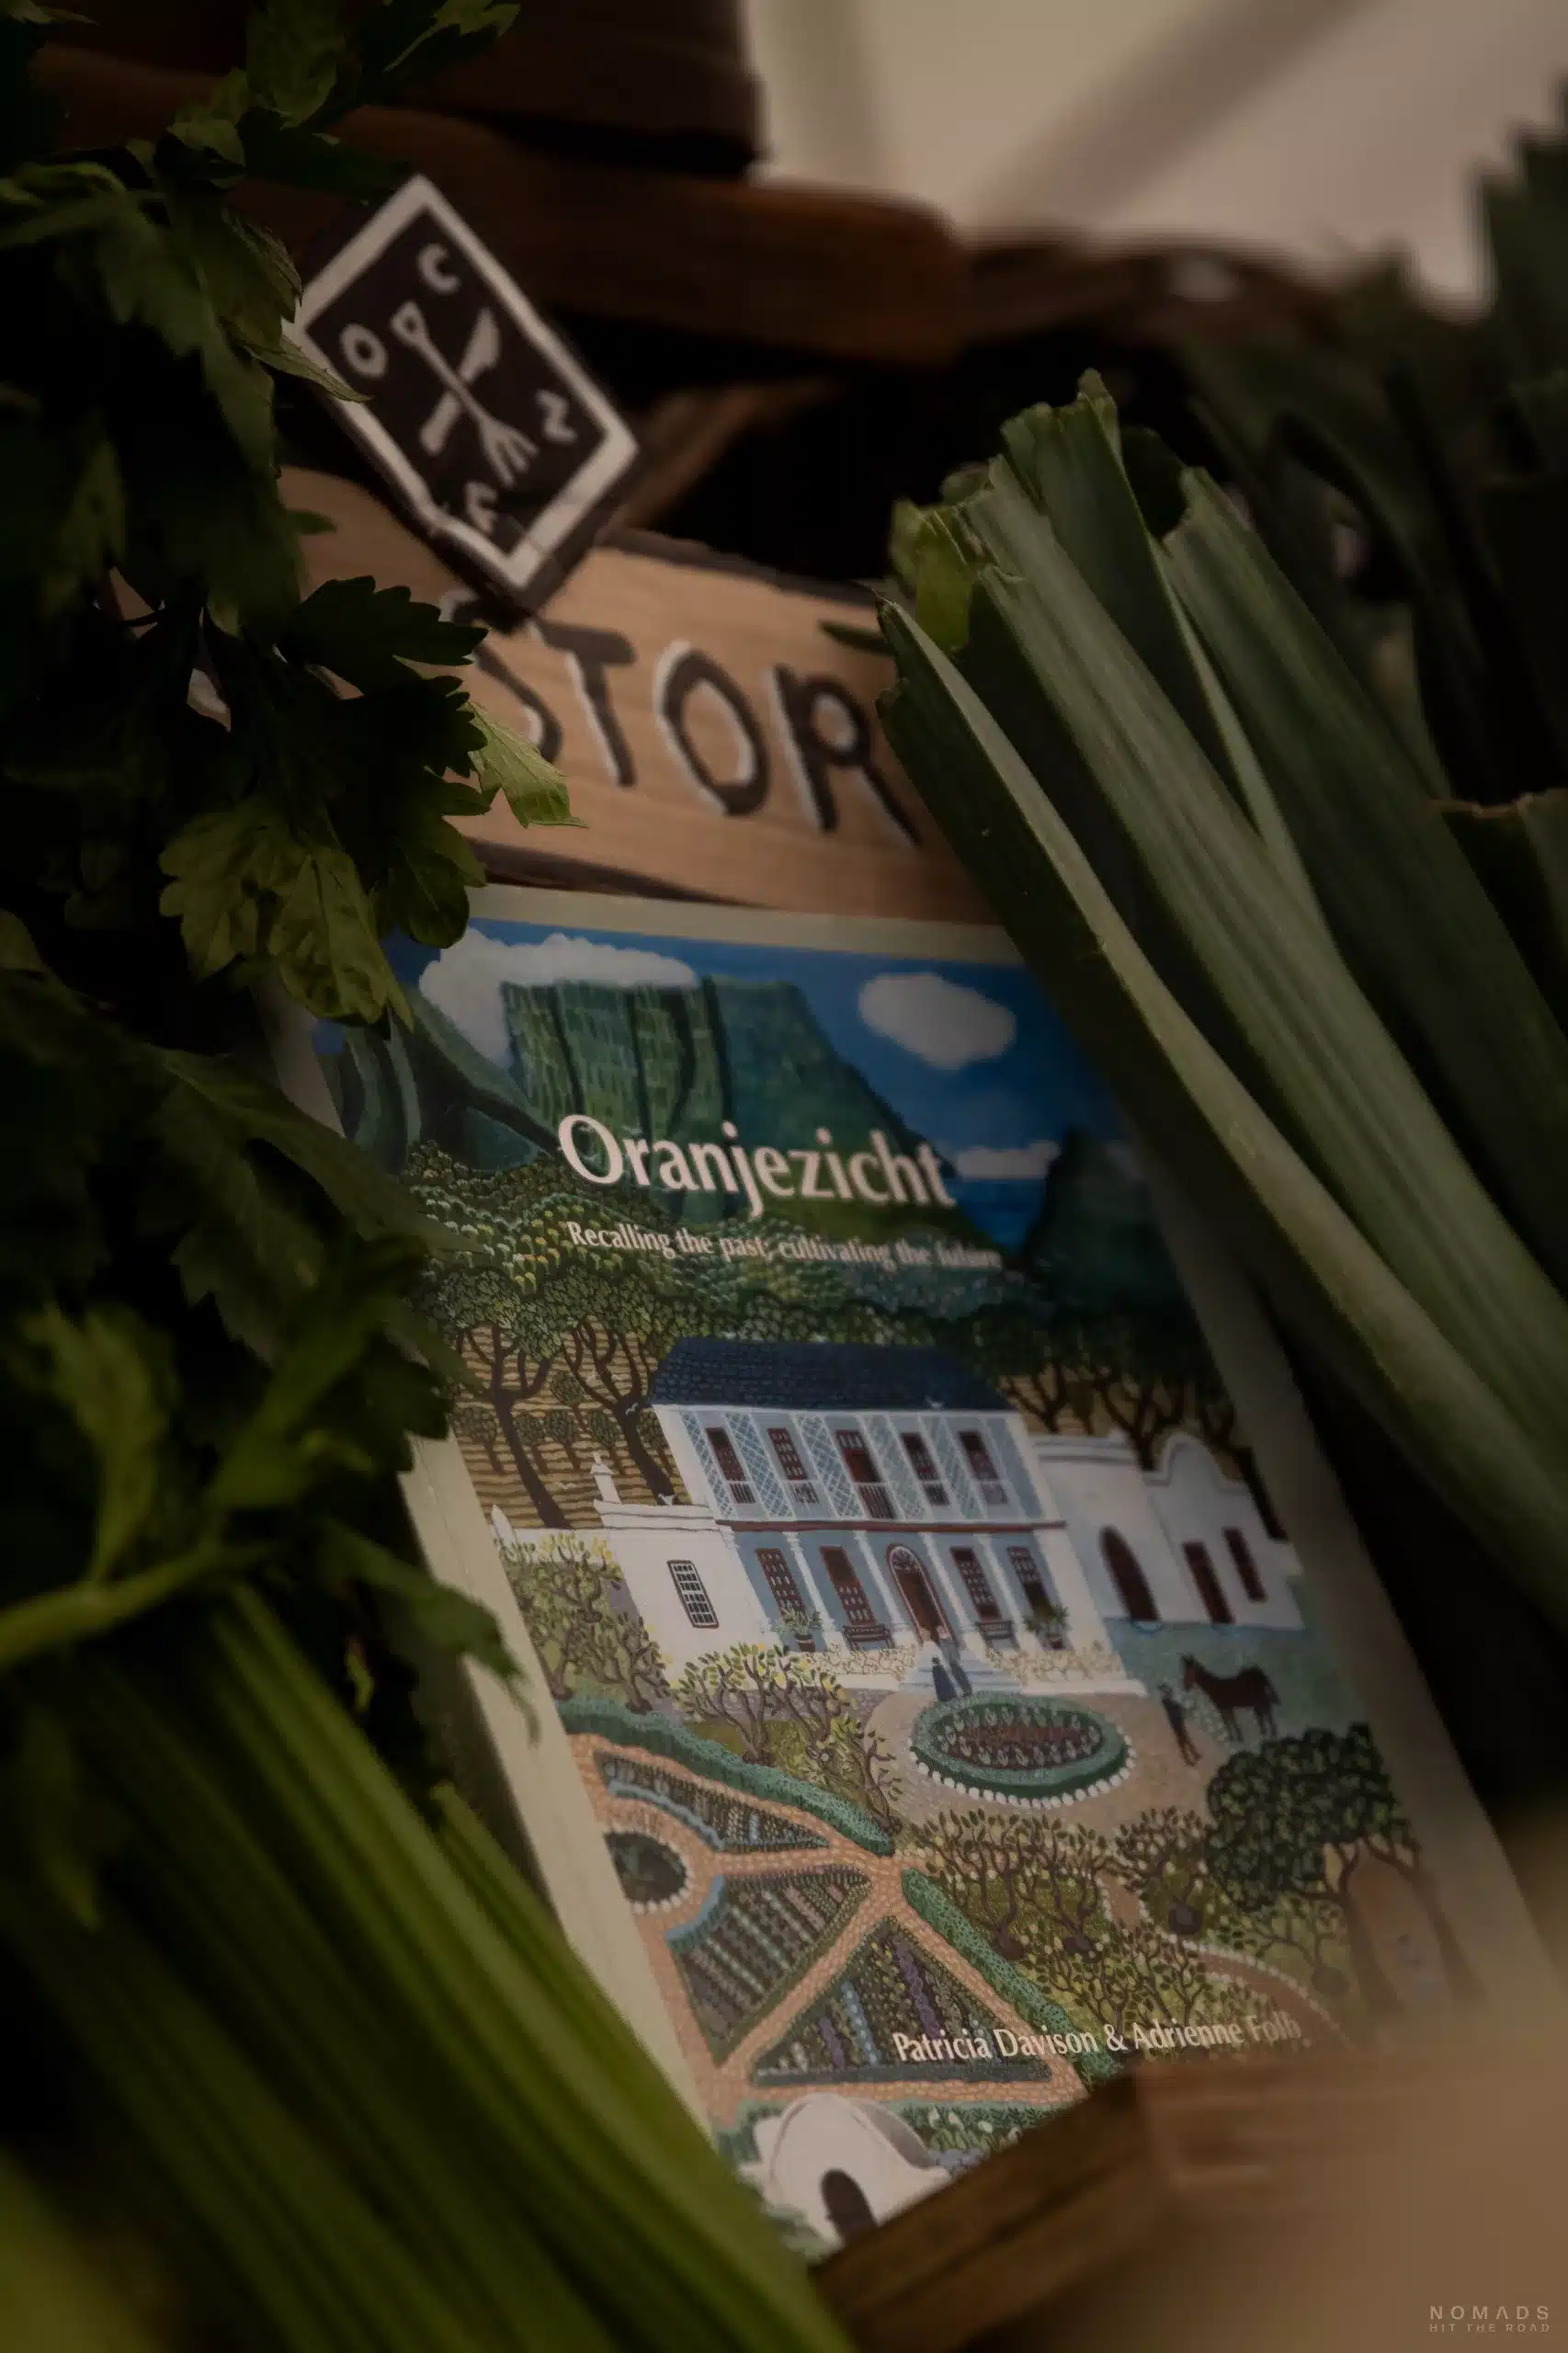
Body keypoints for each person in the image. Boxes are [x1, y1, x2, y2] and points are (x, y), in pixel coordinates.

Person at [1159, 1680, 1200, 1766]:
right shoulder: (1167, 1701)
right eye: (1168, 1691)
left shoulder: (1167, 1700)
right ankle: (1191, 1756)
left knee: (1184, 1739)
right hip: (1176, 1722)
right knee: (1183, 1739)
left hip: (1177, 1721)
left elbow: (1178, 1708)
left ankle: (1192, 1755)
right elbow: (1178, 1709)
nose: (1170, 1692)